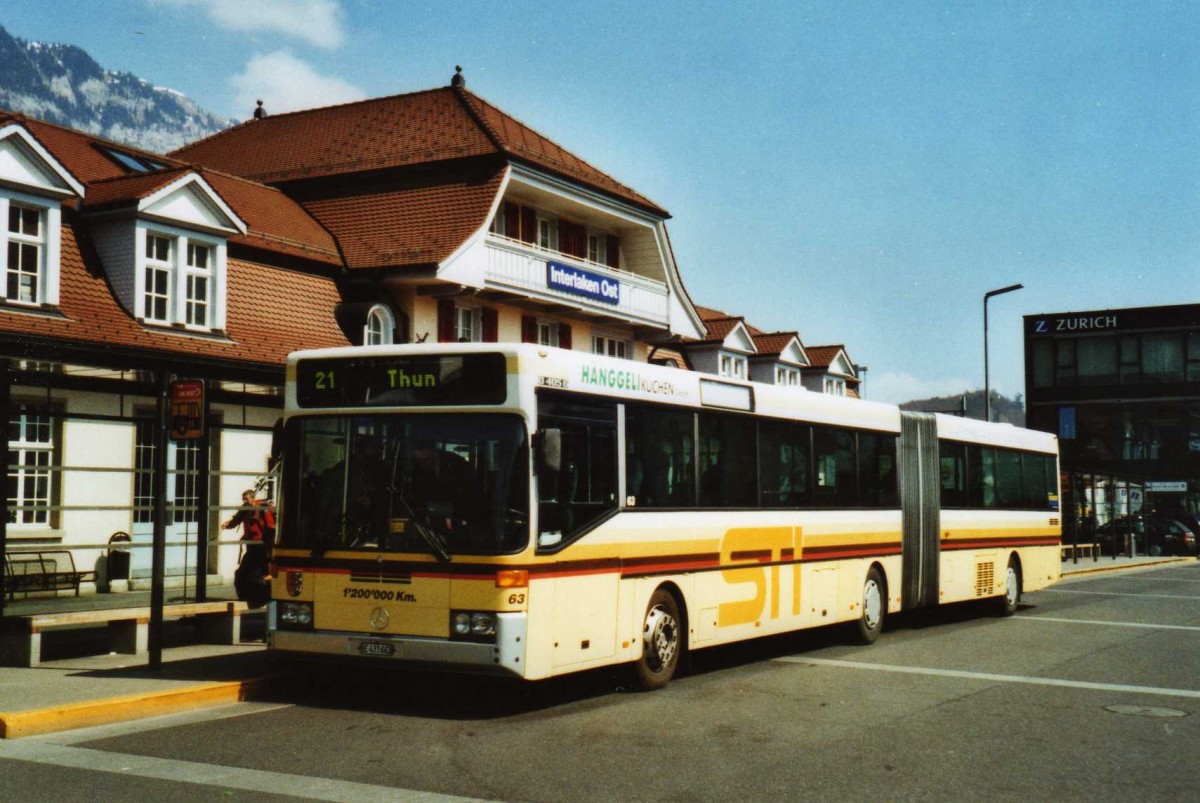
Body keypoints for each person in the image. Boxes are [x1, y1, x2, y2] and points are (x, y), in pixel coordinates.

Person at [223, 489, 272, 607]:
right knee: (242, 574)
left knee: (255, 574)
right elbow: (236, 520)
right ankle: (248, 598)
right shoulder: (244, 509)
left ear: (253, 498)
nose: (245, 501)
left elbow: (271, 528)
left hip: (261, 547)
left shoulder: (262, 510)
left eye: (247, 499)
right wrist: (227, 525)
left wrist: (269, 547)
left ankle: (260, 599)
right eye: (243, 499)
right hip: (251, 546)